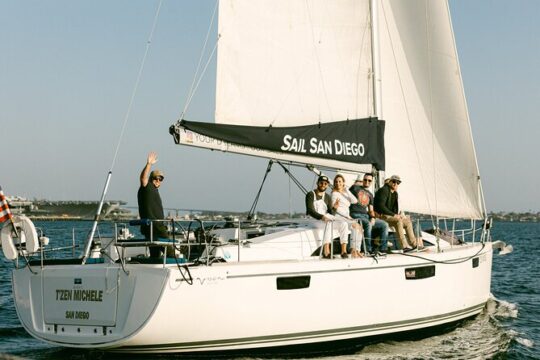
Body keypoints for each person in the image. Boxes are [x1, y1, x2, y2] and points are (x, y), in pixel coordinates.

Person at [305, 175, 348, 259]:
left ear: (327, 185)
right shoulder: (310, 194)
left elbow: (331, 212)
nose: (323, 185)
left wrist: (335, 208)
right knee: (328, 222)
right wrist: (322, 217)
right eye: (321, 183)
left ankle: (344, 251)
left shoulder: (327, 196)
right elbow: (310, 211)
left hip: (325, 218)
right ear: (317, 183)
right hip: (315, 219)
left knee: (344, 223)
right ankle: (326, 251)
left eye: (325, 183)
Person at [374, 175, 421, 251]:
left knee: (407, 222)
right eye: (393, 181)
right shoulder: (384, 190)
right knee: (398, 221)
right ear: (390, 182)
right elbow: (381, 207)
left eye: (398, 182)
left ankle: (415, 245)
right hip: (381, 216)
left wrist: (399, 215)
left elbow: (395, 209)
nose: (395, 184)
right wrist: (394, 215)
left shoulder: (395, 194)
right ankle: (404, 246)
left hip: (390, 216)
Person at [137, 151, 170, 258]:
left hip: (154, 226)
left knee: (155, 253)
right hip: (155, 226)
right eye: (156, 178)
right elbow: (143, 179)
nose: (158, 180)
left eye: (160, 179)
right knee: (170, 250)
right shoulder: (147, 188)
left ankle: (154, 267)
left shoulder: (154, 190)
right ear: (151, 178)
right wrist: (149, 164)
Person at [349, 173, 390, 255]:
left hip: (366, 216)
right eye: (365, 180)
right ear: (362, 180)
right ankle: (367, 249)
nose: (367, 182)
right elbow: (345, 194)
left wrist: (373, 218)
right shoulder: (355, 188)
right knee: (368, 224)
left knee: (384, 224)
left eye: (369, 180)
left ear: (371, 182)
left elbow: (371, 210)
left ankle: (383, 249)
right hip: (355, 214)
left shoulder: (370, 195)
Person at [330, 174, 364, 258]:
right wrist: (347, 216)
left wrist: (347, 190)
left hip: (346, 217)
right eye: (336, 182)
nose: (338, 183)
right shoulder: (334, 194)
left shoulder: (346, 193)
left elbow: (355, 201)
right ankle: (345, 250)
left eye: (340, 181)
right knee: (348, 224)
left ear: (343, 183)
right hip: (338, 217)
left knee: (359, 227)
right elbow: (336, 209)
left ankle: (356, 250)